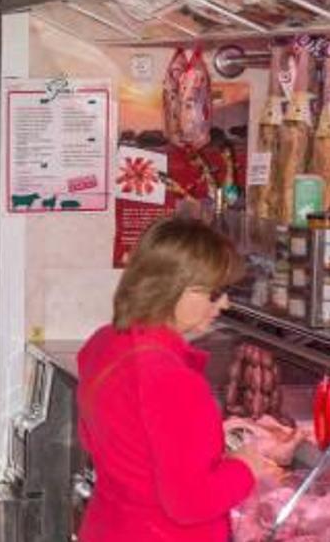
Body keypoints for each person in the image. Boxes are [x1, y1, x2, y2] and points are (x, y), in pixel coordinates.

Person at [76, 217, 267, 541]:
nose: (224, 303)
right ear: (172, 286)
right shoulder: (173, 381)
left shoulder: (105, 342)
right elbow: (190, 503)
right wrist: (244, 468)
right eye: (213, 293)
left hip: (109, 526)